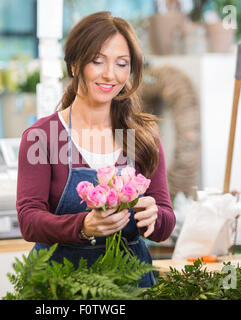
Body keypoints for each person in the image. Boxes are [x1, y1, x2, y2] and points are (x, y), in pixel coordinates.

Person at [16, 11, 175, 287]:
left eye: (122, 64)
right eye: (97, 61)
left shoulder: (142, 136)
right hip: (59, 283)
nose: (110, 74)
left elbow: (165, 221)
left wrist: (156, 216)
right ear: (75, 64)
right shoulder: (42, 136)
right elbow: (29, 220)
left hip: (130, 284)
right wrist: (82, 226)